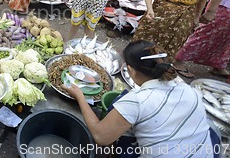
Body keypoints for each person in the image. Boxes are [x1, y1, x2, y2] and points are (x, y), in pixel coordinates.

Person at [66, 40, 220, 158]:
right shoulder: (189, 90)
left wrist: (80, 97)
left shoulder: (137, 100)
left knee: (118, 118)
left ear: (131, 71)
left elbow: (101, 137)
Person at [174, 0, 230, 78]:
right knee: (205, 34)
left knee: (226, 40)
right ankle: (177, 60)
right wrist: (212, 10)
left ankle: (218, 65)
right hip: (224, 6)